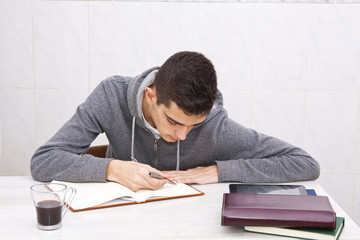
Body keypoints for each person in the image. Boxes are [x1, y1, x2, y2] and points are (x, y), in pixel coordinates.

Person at [31, 51, 320, 192]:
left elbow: (304, 163)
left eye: (192, 126)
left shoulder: (216, 127)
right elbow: (43, 161)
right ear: (150, 95)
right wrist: (113, 168)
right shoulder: (110, 96)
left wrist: (219, 171)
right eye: (173, 121)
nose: (182, 135)